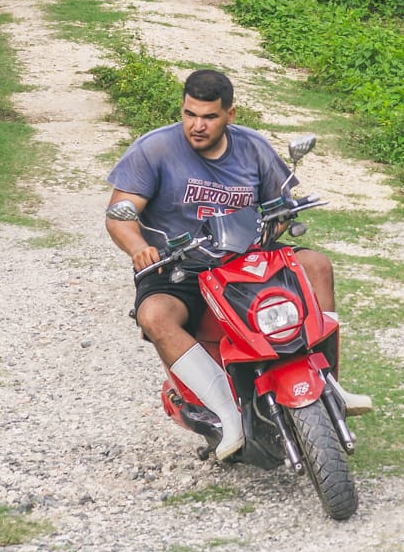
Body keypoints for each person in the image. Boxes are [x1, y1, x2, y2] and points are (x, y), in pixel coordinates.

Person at [104, 68, 370, 460]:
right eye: (189, 114)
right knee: (155, 315)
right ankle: (227, 414)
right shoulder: (154, 149)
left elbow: (280, 204)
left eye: (209, 116)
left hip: (247, 258)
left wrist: (281, 216)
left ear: (230, 114)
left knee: (317, 265)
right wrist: (139, 247)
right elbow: (119, 215)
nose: (197, 125)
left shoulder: (253, 148)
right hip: (182, 267)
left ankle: (326, 381)